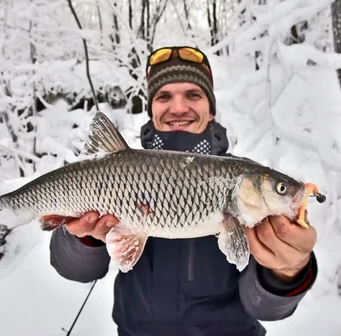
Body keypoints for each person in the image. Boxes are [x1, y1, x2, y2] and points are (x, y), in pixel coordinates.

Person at [50, 46, 318, 336]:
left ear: (211, 108)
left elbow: (263, 308)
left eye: (193, 95)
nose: (178, 108)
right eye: (164, 96)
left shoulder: (244, 180)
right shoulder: (114, 173)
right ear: (151, 108)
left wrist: (289, 271)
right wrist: (86, 238)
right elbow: (74, 270)